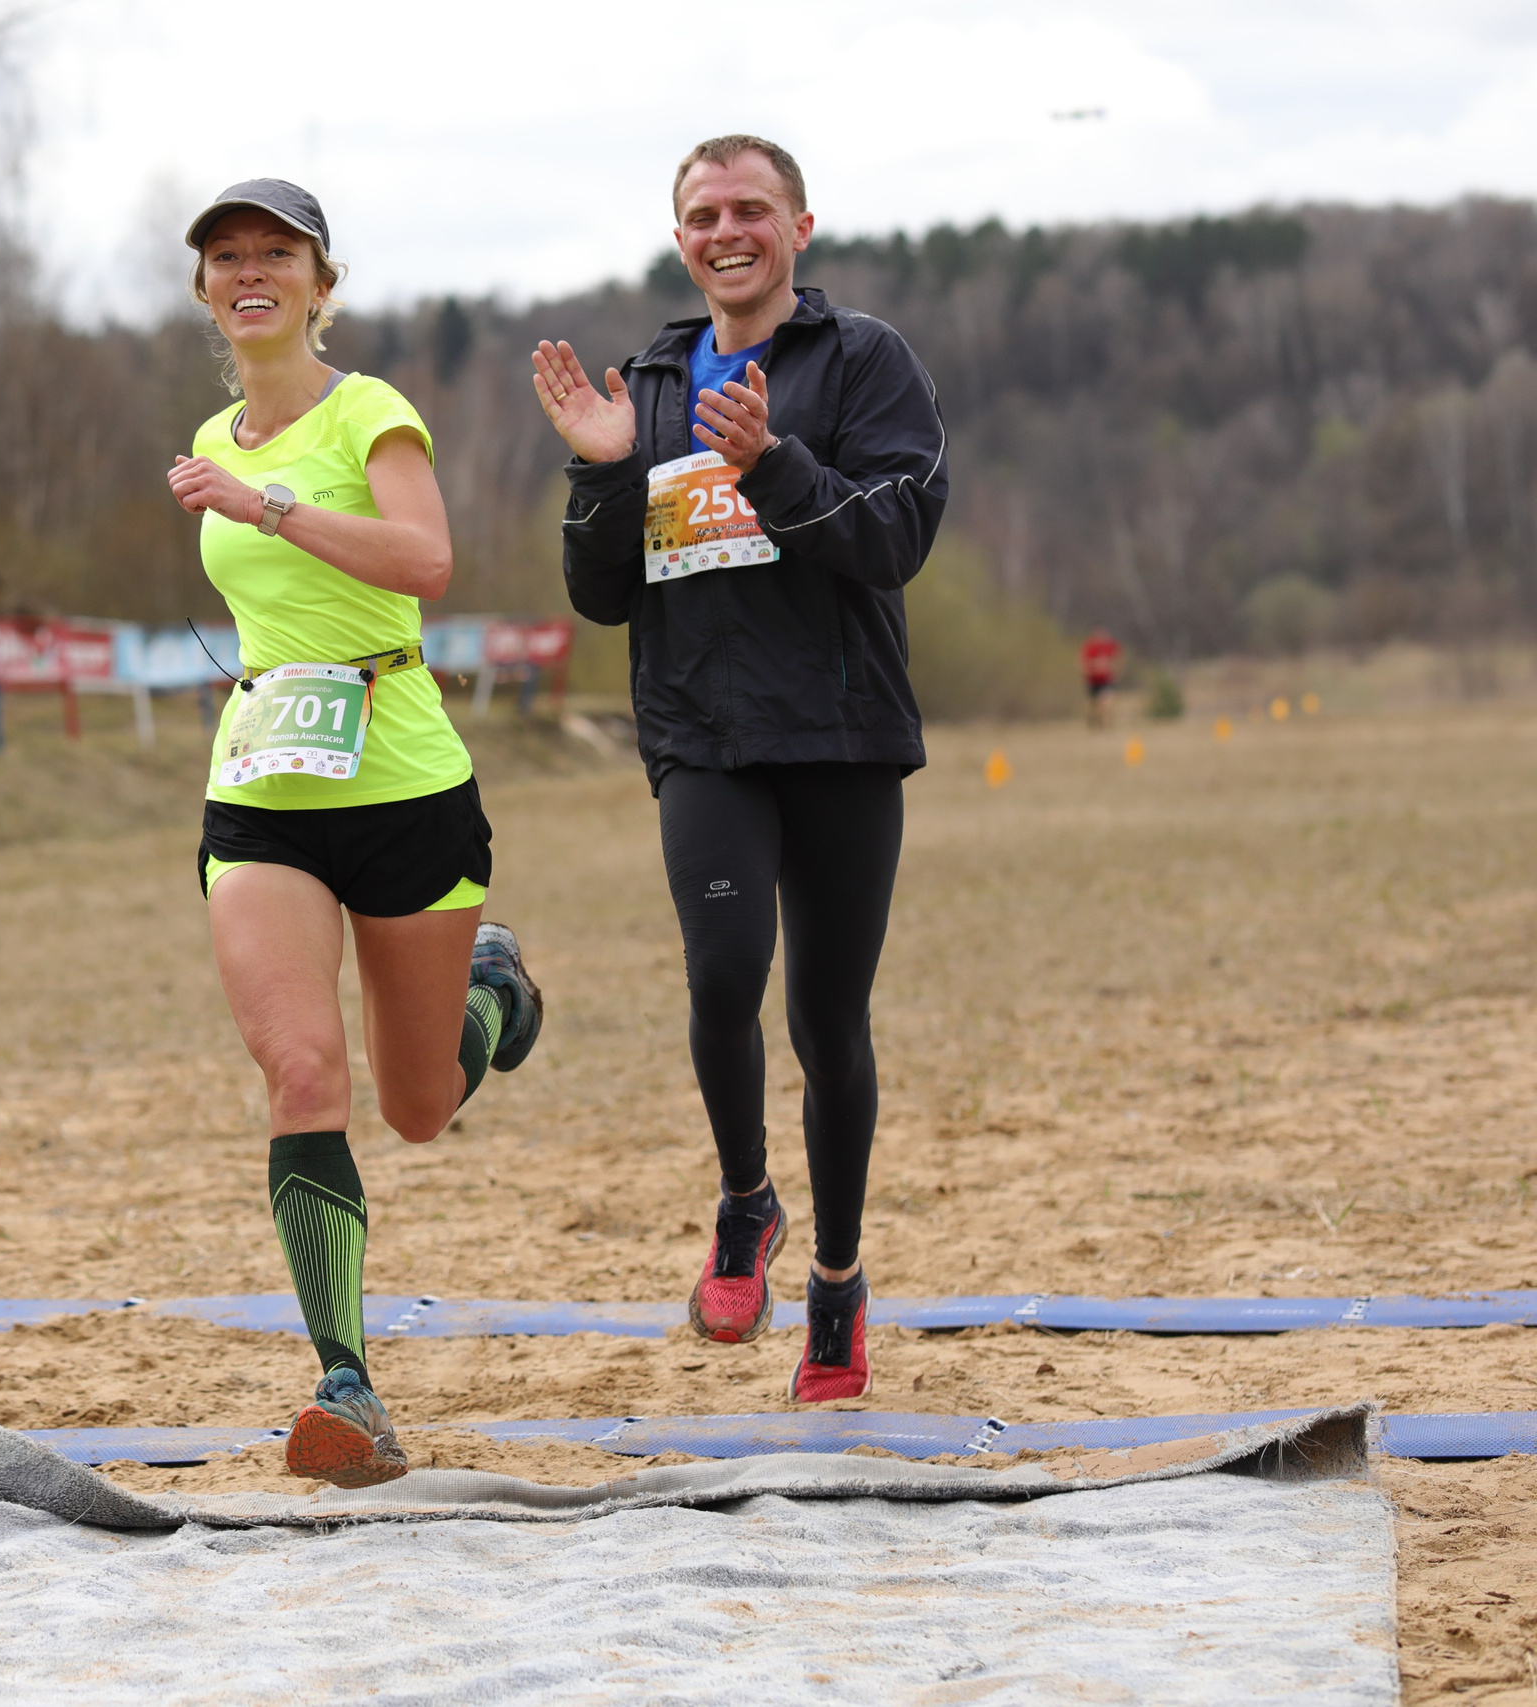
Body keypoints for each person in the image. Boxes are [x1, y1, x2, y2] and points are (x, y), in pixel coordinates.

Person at [530, 134, 945, 1403]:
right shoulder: (648, 382)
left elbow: (894, 537)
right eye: (703, 213)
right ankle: (745, 1204)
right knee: (720, 976)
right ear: (680, 239)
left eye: (750, 209)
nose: (727, 231)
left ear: (798, 228)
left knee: (828, 1023)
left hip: (837, 737)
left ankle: (835, 1283)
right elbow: (602, 599)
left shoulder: (864, 361)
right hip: (701, 737)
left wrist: (770, 460)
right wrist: (602, 470)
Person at [167, 179, 543, 1485]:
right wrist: (233, 490)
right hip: (264, 785)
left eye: (277, 253)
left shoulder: (369, 411)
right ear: (207, 289)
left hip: (402, 780)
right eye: (227, 256)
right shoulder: (211, 429)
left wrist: (260, 502)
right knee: (302, 1076)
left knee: (421, 1101)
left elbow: (425, 563)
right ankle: (347, 1385)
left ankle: (491, 992)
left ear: (322, 284)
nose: (250, 271)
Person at [1081, 629, 1124, 727]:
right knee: (1092, 706)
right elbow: (1083, 663)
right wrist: (1094, 667)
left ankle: (1105, 725)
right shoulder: (1090, 647)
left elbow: (1118, 659)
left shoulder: (1110, 646)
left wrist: (1115, 672)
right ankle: (1093, 721)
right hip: (1093, 680)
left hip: (1107, 680)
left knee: (1106, 704)